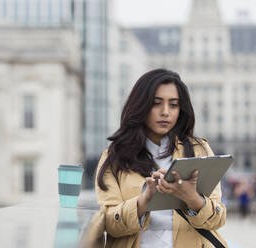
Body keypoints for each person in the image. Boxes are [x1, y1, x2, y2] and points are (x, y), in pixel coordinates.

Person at [95, 69, 227, 248]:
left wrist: (192, 198)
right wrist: (144, 200)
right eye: (156, 103)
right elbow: (108, 223)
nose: (165, 112)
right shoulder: (115, 156)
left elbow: (217, 219)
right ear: (141, 106)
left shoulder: (199, 150)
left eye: (173, 105)